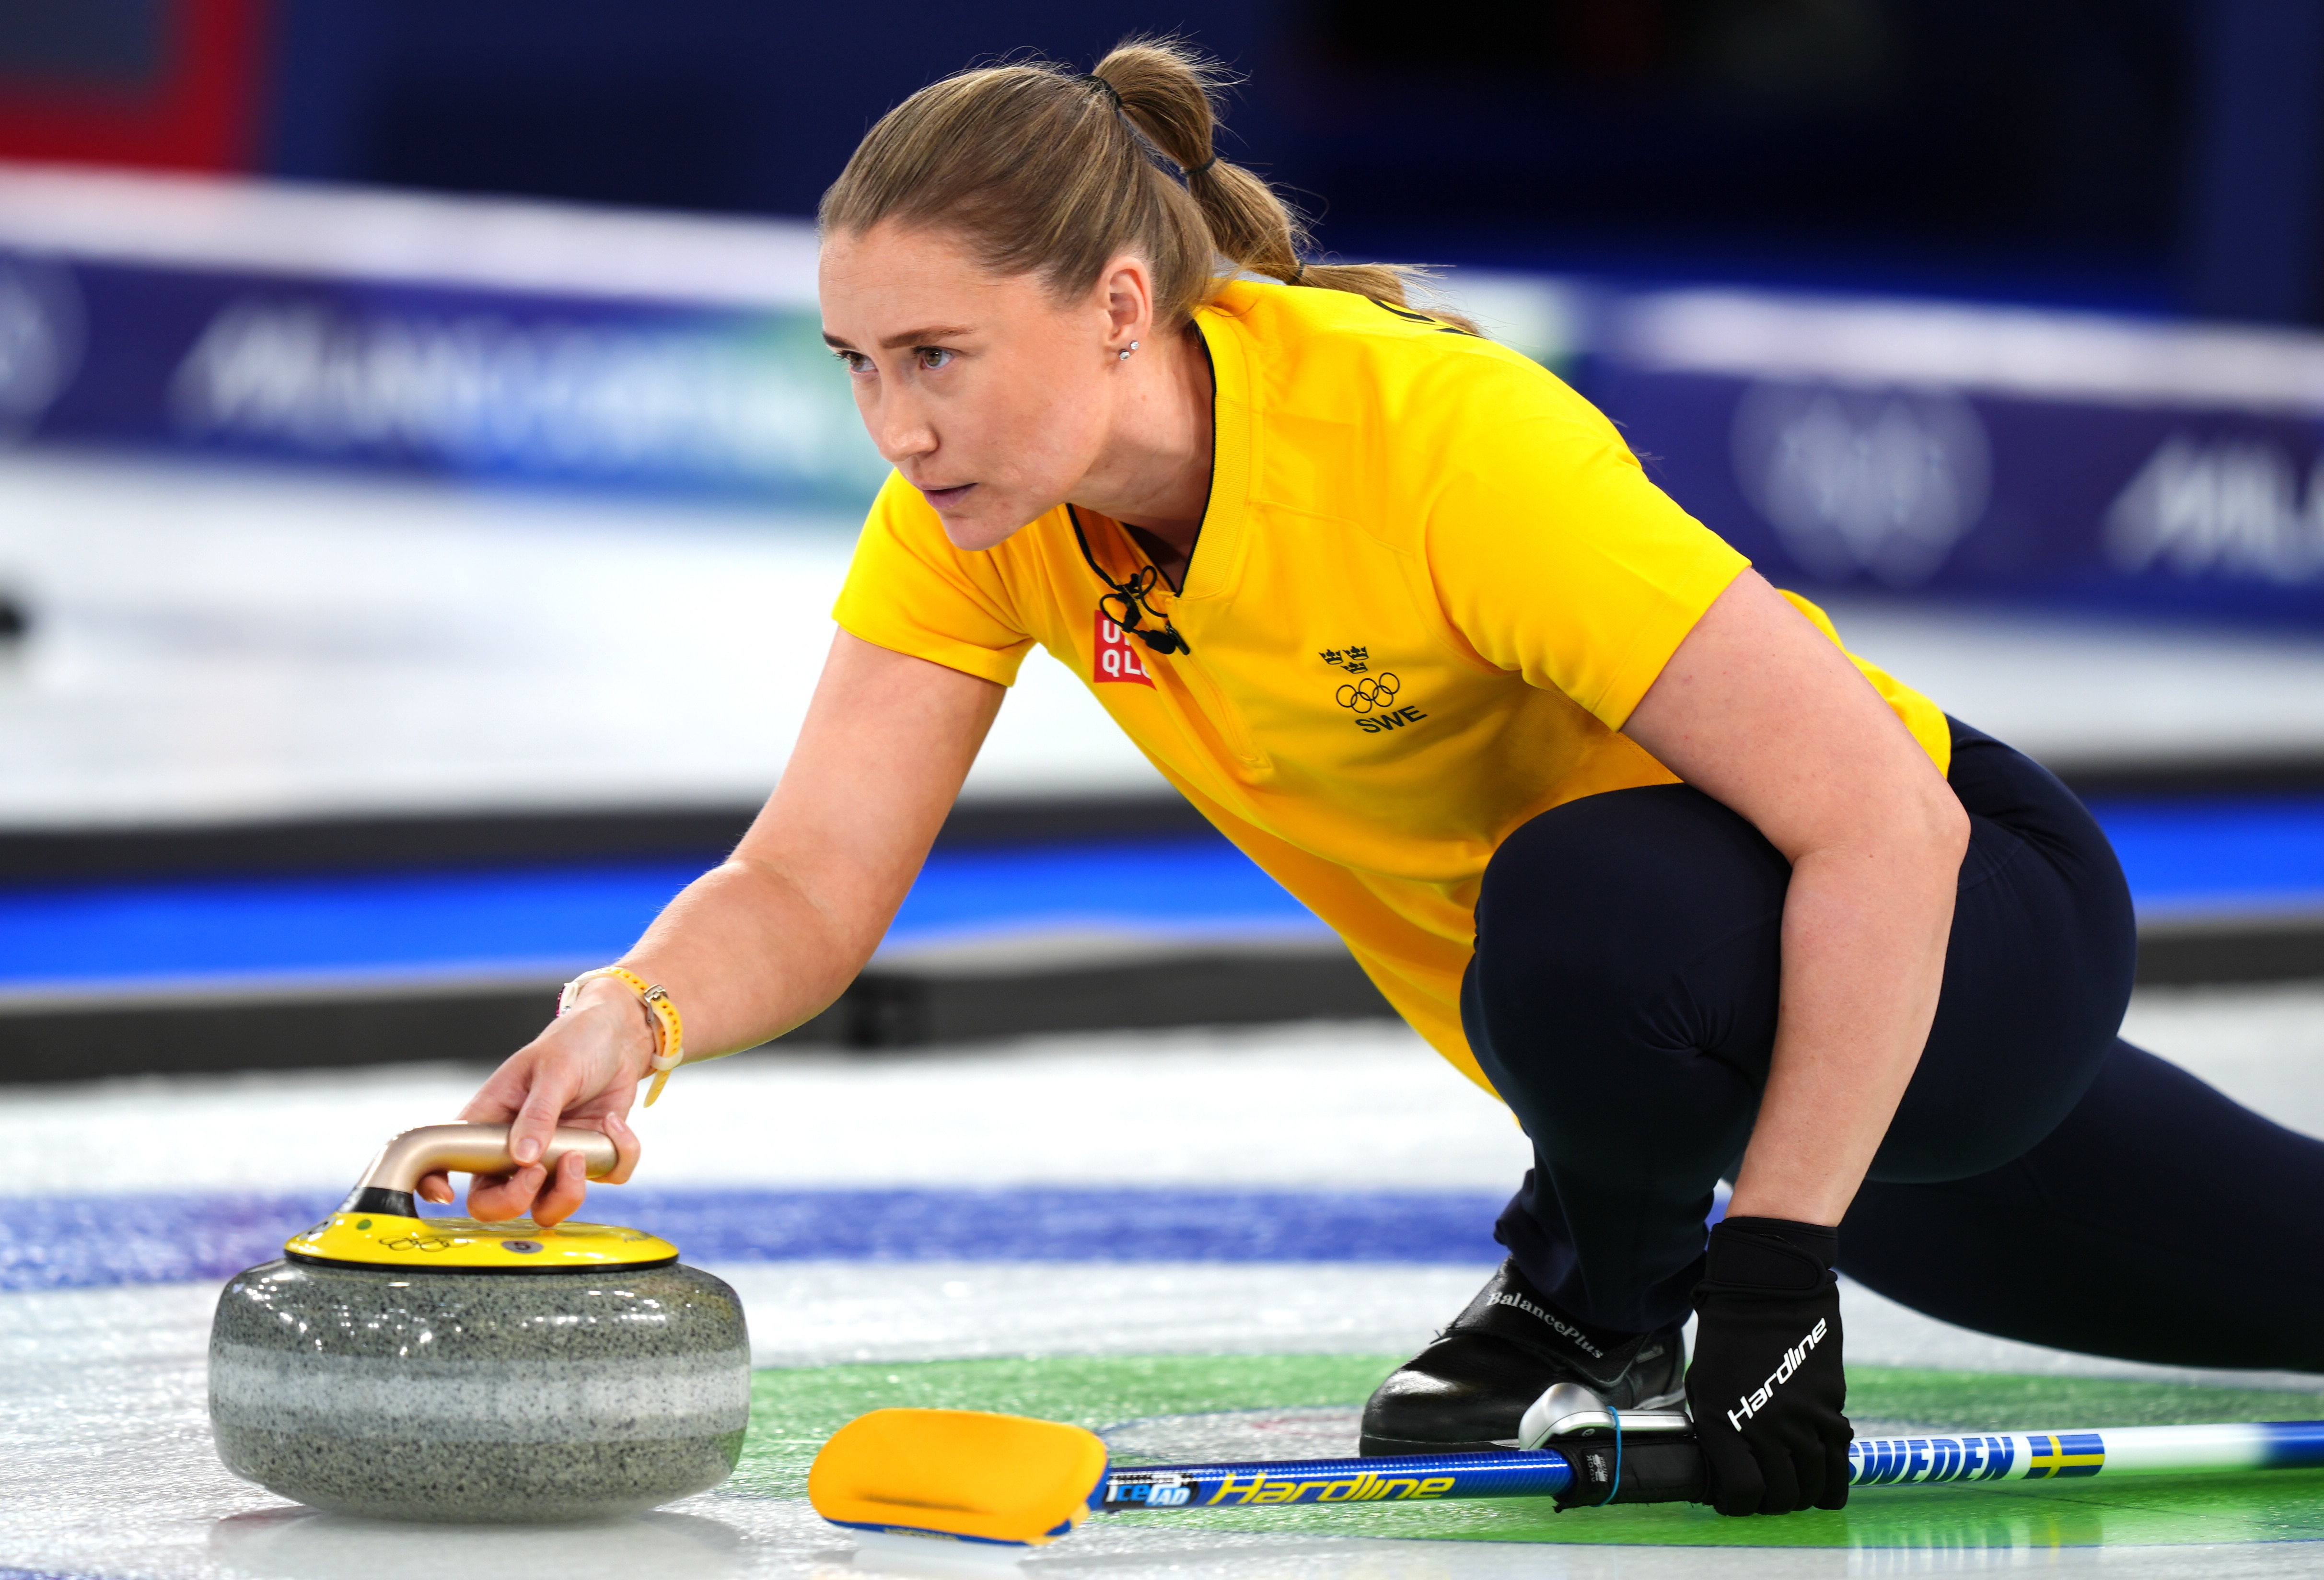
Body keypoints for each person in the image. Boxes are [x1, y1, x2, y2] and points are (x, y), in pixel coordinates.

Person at [430, 39, 2324, 1517]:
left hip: (1955, 919)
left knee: (1570, 912)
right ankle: (1622, 1244)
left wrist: (1769, 1278)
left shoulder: (1431, 445)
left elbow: (1878, 820)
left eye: (937, 355)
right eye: (857, 363)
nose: (895, 426)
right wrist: (632, 1010)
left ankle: (1599, 1280)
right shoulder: (980, 517)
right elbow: (810, 882)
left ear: (1113, 304)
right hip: (1719, 1053)